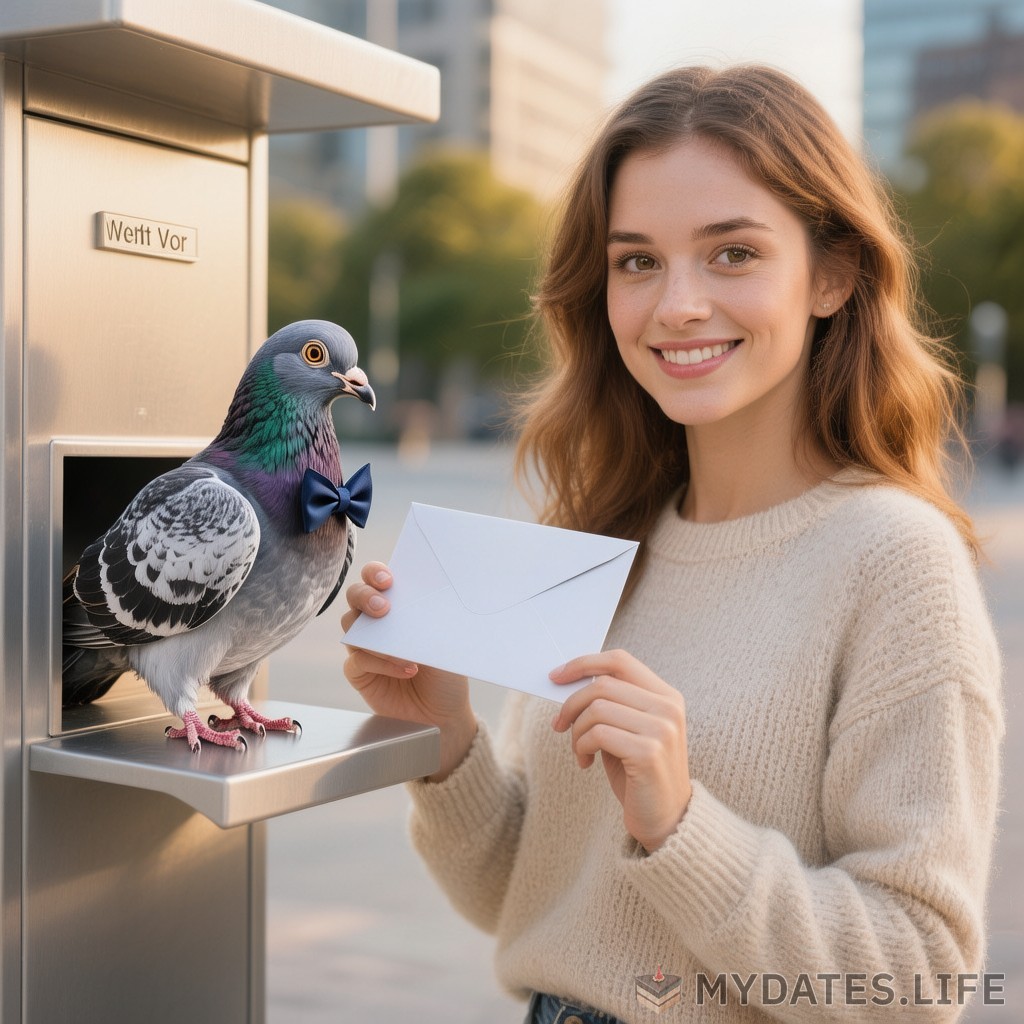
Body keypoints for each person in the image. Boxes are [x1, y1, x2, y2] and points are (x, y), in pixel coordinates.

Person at [342, 64, 1004, 1023]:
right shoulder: (603, 533)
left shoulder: (895, 561)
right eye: (637, 261)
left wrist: (681, 824)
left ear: (832, 274)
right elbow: (529, 905)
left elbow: (922, 976)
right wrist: (443, 737)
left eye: (732, 253)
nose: (677, 305)